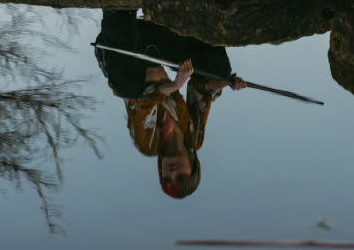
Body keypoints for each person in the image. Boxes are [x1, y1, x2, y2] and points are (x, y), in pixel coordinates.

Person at [95, 10, 247, 199]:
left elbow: (143, 102)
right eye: (180, 176)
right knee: (220, 70)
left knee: (129, 87)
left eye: (167, 178)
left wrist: (176, 84)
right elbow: (202, 91)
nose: (172, 172)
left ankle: (118, 9)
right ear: (192, 166)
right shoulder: (194, 138)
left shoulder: (147, 145)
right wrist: (227, 82)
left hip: (122, 51)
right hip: (155, 46)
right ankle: (192, 9)